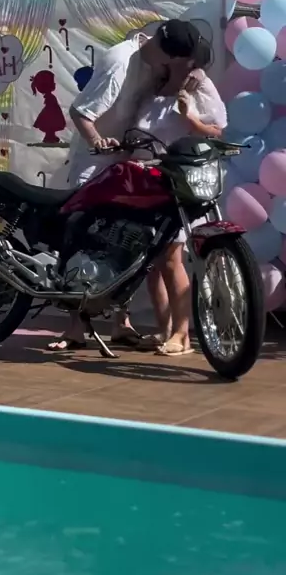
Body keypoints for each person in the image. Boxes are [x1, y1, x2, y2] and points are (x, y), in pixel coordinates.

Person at [48, 18, 206, 352]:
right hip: (95, 162)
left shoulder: (153, 57)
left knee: (126, 243)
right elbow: (80, 113)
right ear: (165, 53)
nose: (175, 67)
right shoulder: (119, 61)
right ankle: (75, 327)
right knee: (81, 238)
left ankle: (122, 324)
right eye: (176, 60)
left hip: (127, 162)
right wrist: (97, 141)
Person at [133, 39, 227, 356]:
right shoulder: (155, 83)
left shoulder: (198, 84)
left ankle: (182, 334)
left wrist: (191, 119)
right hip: (147, 179)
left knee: (172, 257)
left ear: (184, 58)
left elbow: (216, 131)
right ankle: (164, 329)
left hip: (178, 181)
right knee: (153, 263)